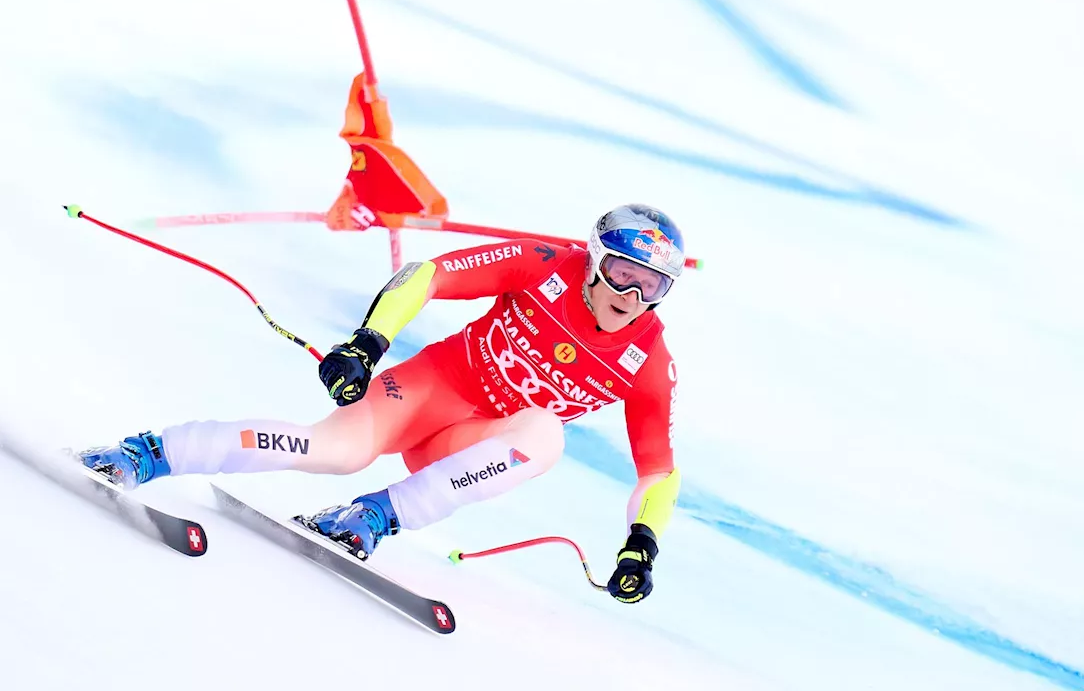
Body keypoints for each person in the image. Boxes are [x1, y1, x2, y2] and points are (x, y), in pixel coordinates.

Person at [80, 203, 686, 604]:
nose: (631, 294)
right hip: (427, 392)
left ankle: (368, 518)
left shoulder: (649, 358)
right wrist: (365, 344)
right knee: (334, 451)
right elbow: (428, 275)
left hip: (466, 444)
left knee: (545, 435)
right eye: (619, 271)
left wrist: (642, 545)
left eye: (652, 284)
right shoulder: (544, 265)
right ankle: (144, 454)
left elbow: (658, 468)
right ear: (592, 259)